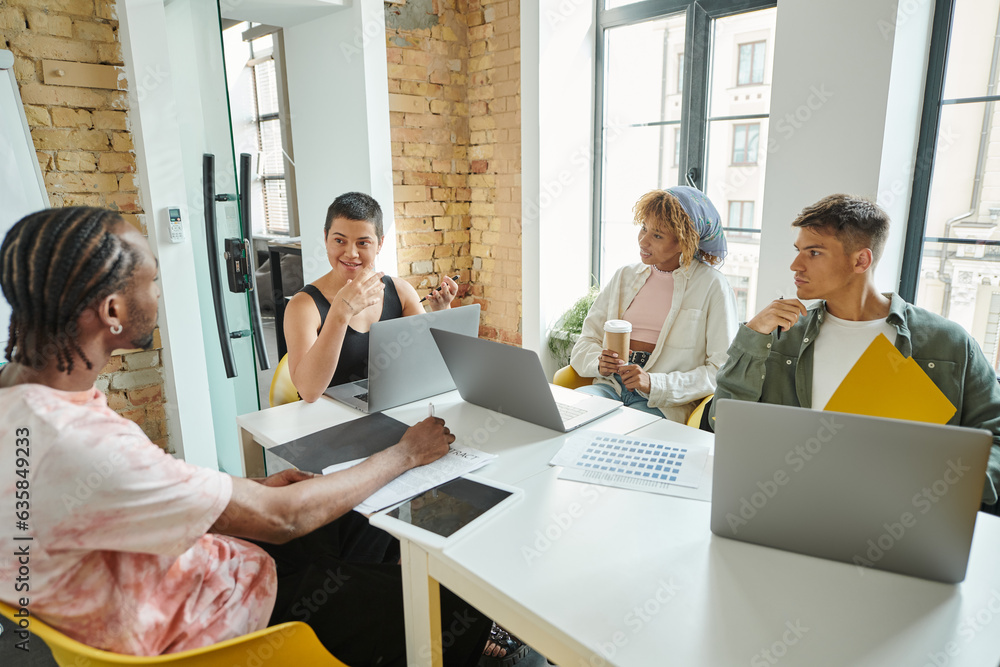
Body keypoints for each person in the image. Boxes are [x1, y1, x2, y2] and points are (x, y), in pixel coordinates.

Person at [0, 207, 490, 666]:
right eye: (152, 281)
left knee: (360, 521)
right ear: (112, 310)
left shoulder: (20, 395)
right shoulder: (80, 443)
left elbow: (123, 499)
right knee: (454, 600)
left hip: (182, 570)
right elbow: (285, 519)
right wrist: (404, 454)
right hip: (223, 618)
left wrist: (250, 491)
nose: (158, 294)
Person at [709, 194, 1000, 504]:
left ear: (861, 260)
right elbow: (724, 424)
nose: (796, 265)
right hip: (795, 506)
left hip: (903, 518)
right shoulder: (781, 336)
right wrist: (751, 337)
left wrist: (940, 487)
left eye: (814, 252)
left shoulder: (948, 343)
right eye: (798, 251)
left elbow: (994, 440)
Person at [570, 187, 739, 423]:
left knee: (621, 440)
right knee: (566, 419)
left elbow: (720, 370)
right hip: (610, 388)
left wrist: (654, 384)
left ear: (684, 241)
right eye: (643, 228)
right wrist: (598, 362)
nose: (643, 241)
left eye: (657, 235)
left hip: (663, 403)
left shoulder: (713, 286)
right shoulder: (624, 276)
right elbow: (585, 342)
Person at [284, 192, 459, 402]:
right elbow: (308, 392)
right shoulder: (303, 306)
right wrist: (341, 311)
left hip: (390, 407)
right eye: (339, 240)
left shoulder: (401, 292)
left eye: (363, 243)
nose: (351, 253)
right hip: (328, 420)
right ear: (325, 238)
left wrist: (441, 313)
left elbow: (431, 364)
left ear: (380, 243)